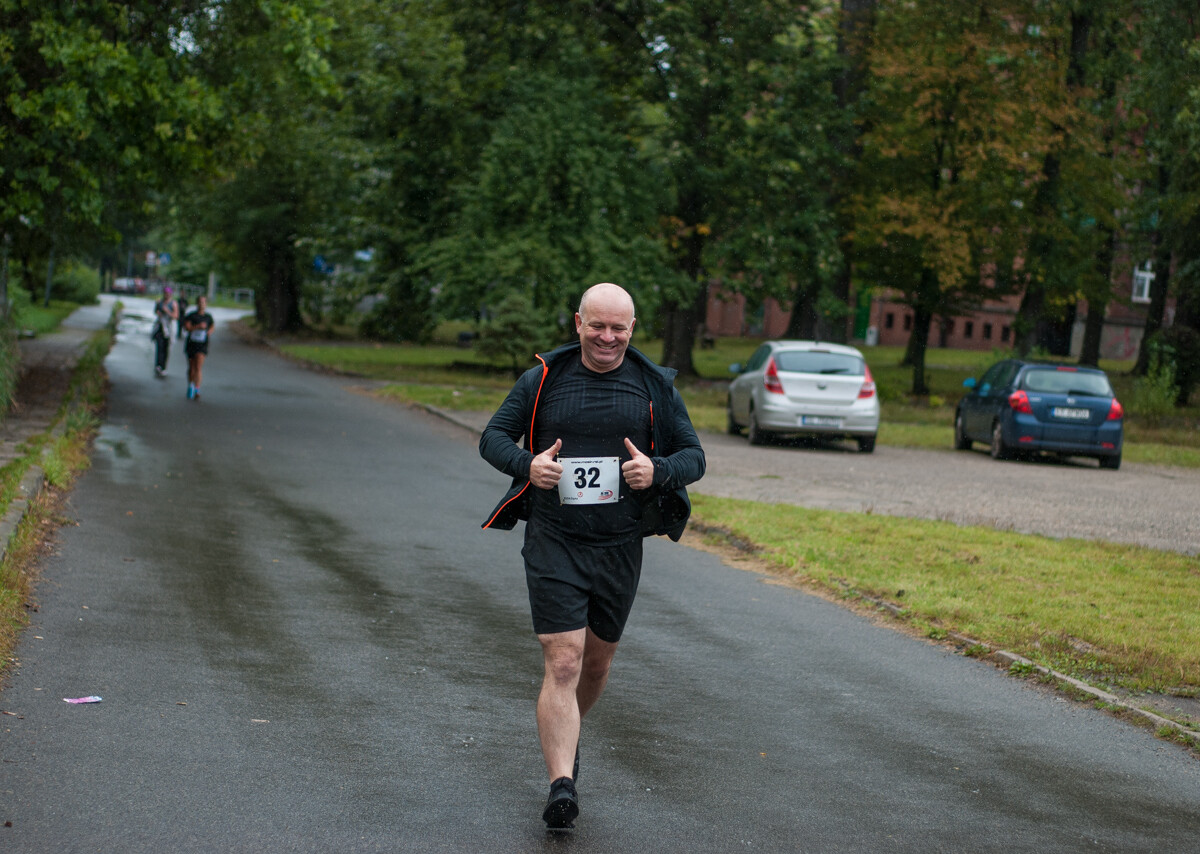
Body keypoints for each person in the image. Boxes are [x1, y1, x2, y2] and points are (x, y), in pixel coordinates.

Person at [479, 282, 705, 829]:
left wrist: (658, 471)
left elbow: (693, 456)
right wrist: (528, 466)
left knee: (597, 664)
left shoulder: (653, 386)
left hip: (619, 544)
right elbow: (493, 438)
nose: (607, 337)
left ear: (632, 329)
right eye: (597, 325)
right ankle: (562, 783)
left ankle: (568, 731)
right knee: (564, 660)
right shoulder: (542, 380)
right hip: (555, 539)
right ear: (577, 322)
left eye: (618, 328)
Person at [182, 295, 215, 401]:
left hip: (202, 344)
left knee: (198, 367)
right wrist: (197, 327)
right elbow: (186, 327)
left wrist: (209, 332)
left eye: (204, 302)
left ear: (206, 304)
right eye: (200, 302)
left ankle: (197, 388)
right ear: (197, 303)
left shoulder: (208, 317)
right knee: (191, 367)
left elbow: (212, 326)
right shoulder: (191, 315)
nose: (202, 304)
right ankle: (190, 385)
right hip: (192, 343)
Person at [151, 287, 178, 377]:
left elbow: (175, 316)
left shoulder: (173, 303)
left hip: (169, 329)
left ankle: (163, 367)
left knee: (166, 348)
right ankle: (158, 365)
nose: (166, 295)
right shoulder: (160, 302)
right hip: (160, 327)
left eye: (168, 293)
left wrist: (168, 311)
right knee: (159, 346)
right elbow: (155, 311)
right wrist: (158, 312)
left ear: (170, 294)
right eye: (165, 293)